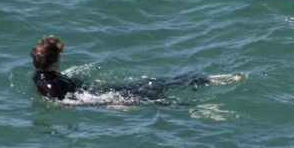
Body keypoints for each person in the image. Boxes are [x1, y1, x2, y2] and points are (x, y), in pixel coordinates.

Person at [29, 35, 213, 103]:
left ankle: (193, 81)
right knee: (150, 96)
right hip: (100, 96)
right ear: (54, 60)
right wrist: (111, 105)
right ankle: (195, 90)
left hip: (97, 92)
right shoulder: (53, 86)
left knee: (146, 88)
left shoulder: (39, 77)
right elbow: (73, 103)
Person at [31, 35, 83, 100]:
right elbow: (65, 102)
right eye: (59, 57)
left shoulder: (36, 76)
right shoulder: (52, 86)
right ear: (53, 64)